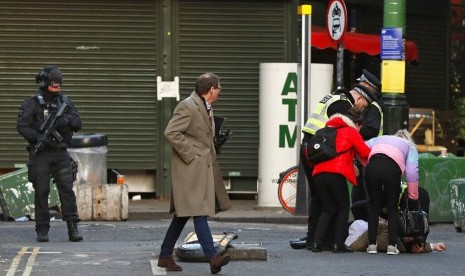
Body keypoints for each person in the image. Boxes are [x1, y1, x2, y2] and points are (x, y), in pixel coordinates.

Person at [157, 73, 231, 274]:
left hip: (201, 169)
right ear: (210, 90)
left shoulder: (205, 106)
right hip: (190, 170)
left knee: (183, 215)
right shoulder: (187, 106)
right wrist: (193, 153)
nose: (220, 91)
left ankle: (165, 256)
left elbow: (200, 135)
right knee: (199, 212)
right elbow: (171, 132)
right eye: (218, 87)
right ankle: (213, 258)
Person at [298, 69, 379, 250]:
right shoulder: (343, 107)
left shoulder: (336, 97)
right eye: (364, 105)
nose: (363, 109)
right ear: (360, 98)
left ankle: (316, 240)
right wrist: (353, 162)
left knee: (320, 198)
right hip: (320, 153)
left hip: (313, 148)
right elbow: (344, 140)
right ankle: (328, 241)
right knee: (331, 202)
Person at [17, 65, 83, 242]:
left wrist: (65, 120)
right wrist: (39, 137)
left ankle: (73, 226)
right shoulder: (32, 103)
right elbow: (22, 126)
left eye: (59, 83)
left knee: (67, 191)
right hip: (41, 154)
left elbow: (77, 122)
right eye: (54, 83)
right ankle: (42, 229)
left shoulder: (65, 103)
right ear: (45, 82)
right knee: (41, 191)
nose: (57, 86)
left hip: (61, 153)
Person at [310, 107, 371, 253]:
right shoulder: (350, 132)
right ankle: (338, 244)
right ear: (357, 124)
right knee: (343, 207)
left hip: (318, 174)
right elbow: (365, 152)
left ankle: (316, 243)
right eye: (360, 128)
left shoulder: (328, 131)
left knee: (327, 209)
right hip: (335, 174)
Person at [364, 129, 420, 255]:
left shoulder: (379, 139)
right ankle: (392, 246)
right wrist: (413, 196)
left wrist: (363, 163)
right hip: (392, 168)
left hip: (372, 166)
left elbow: (362, 146)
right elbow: (411, 171)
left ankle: (372, 245)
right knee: (392, 208)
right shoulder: (410, 146)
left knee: (373, 206)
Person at [345, 219, 446, 253]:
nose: (409, 236)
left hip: (357, 236)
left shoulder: (399, 245)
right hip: (360, 226)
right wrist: (435, 246)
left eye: (411, 237)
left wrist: (381, 224)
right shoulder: (400, 237)